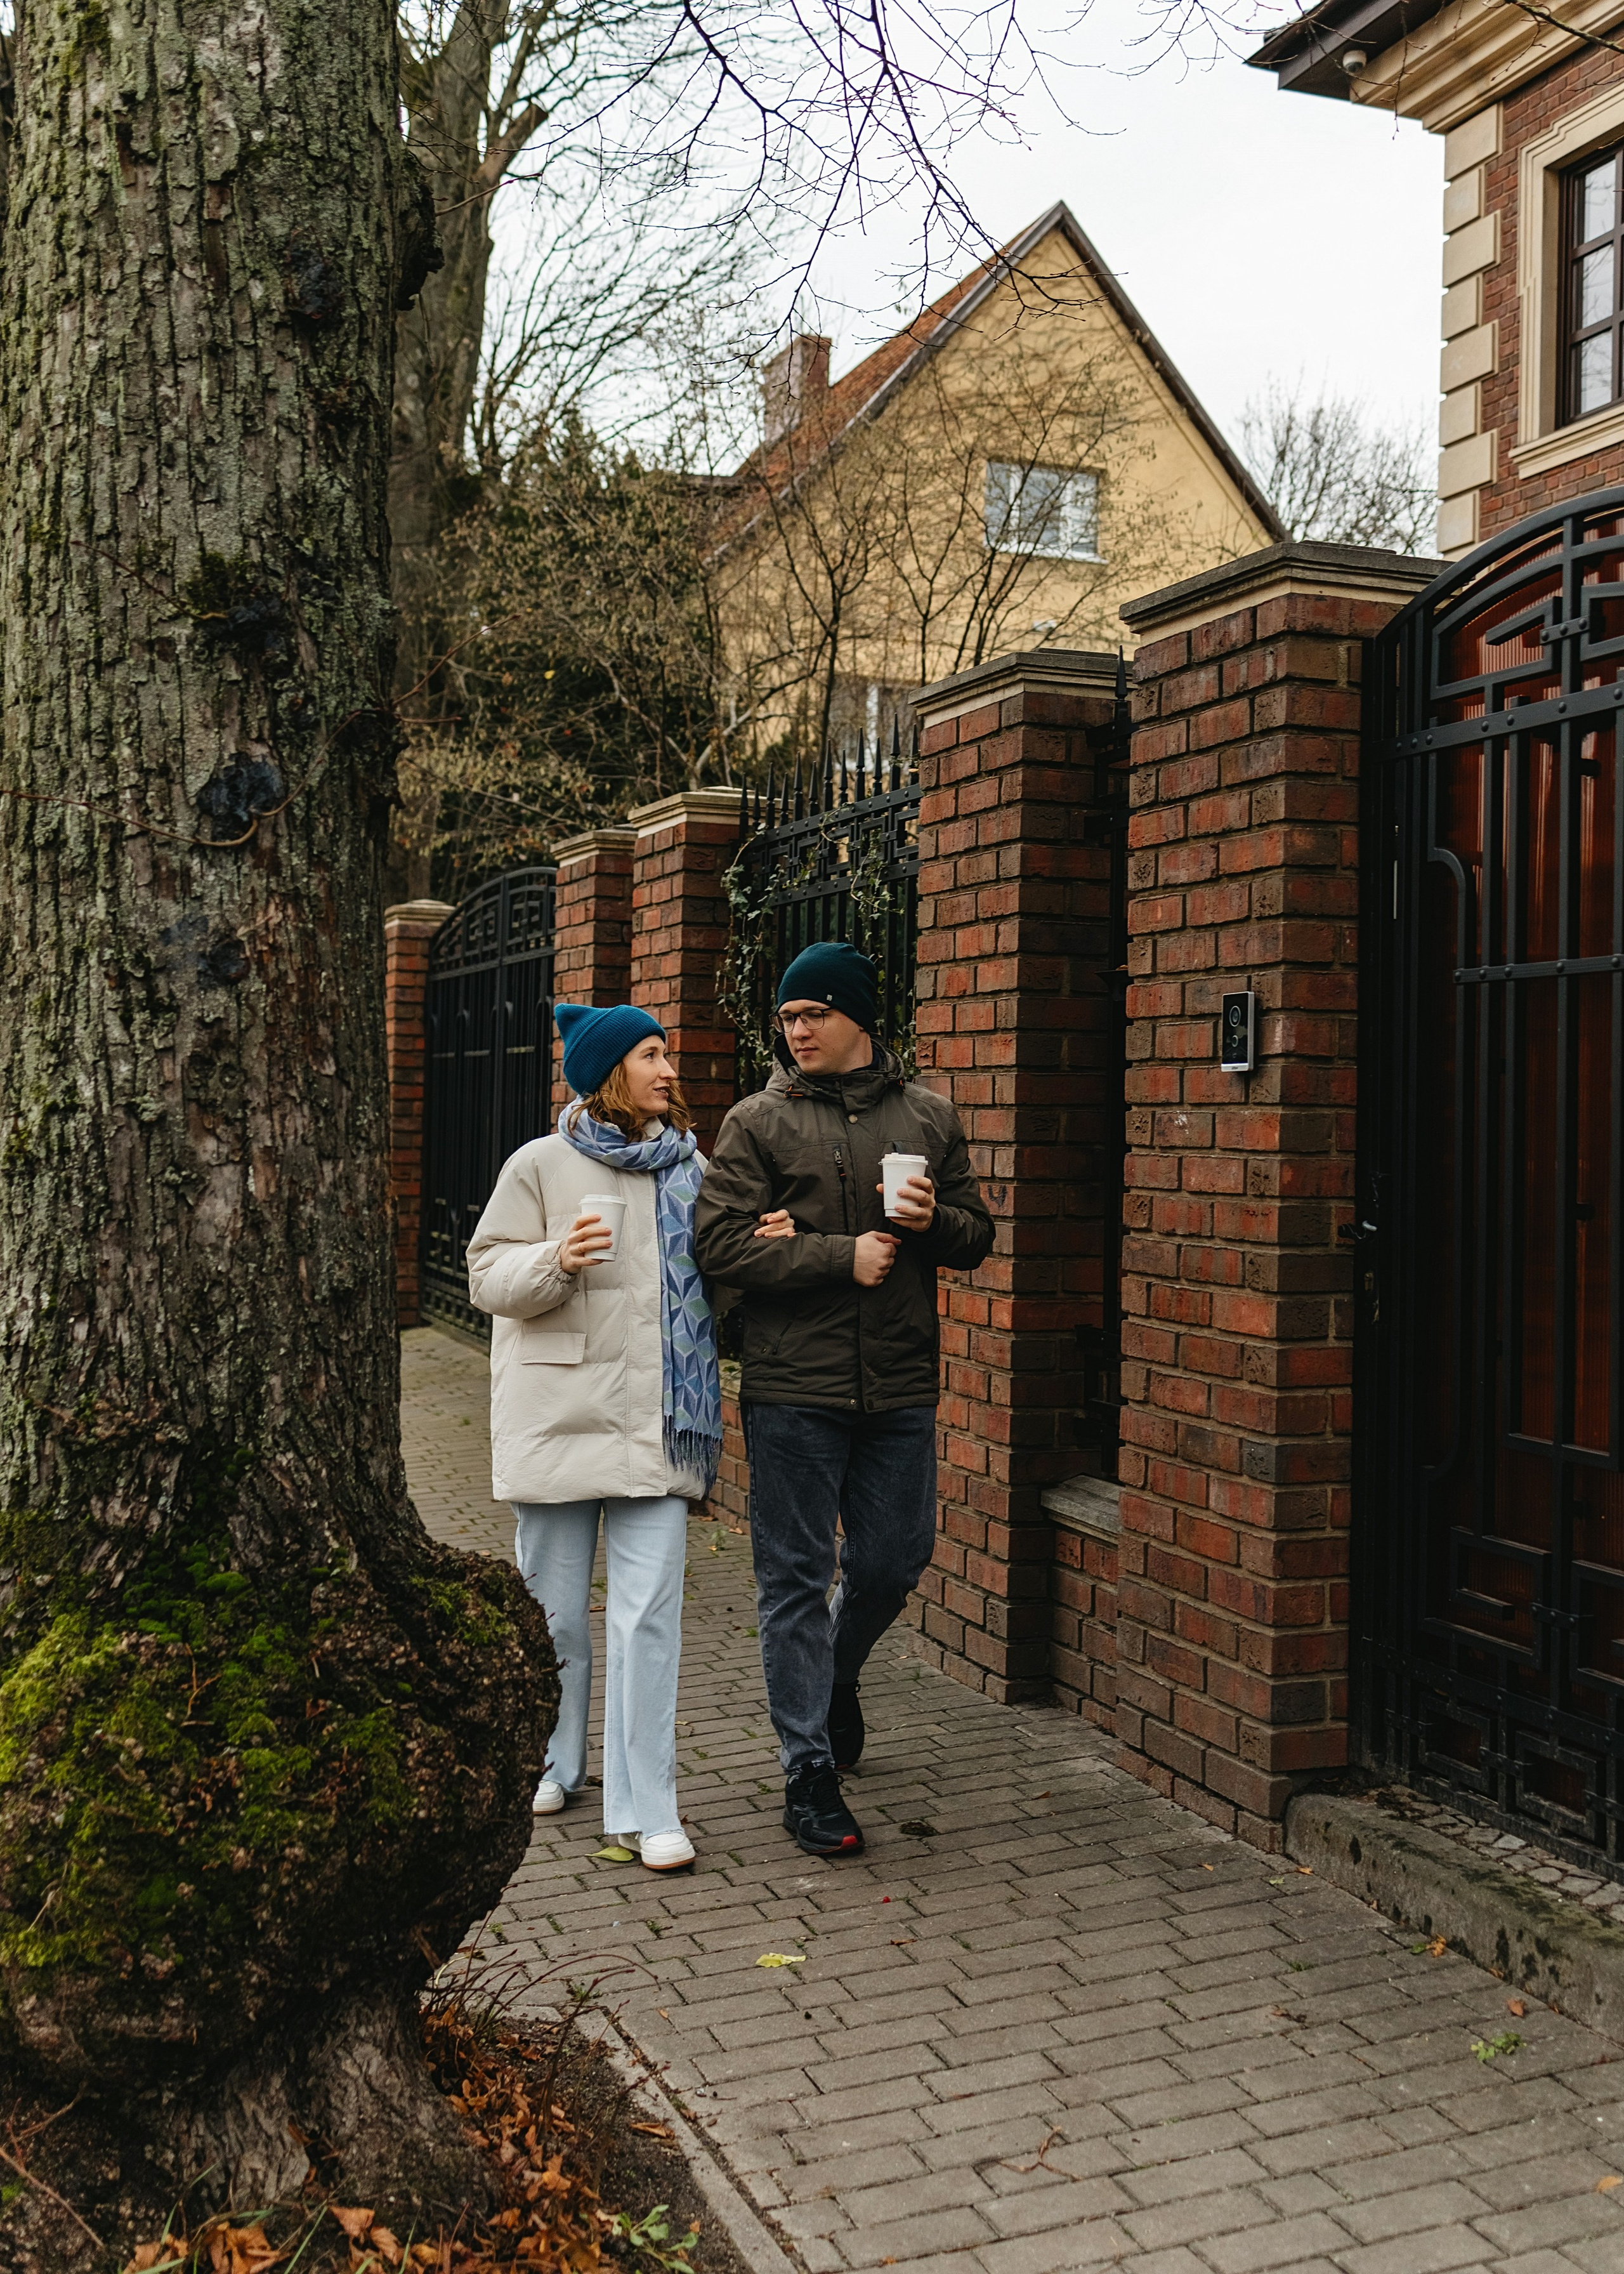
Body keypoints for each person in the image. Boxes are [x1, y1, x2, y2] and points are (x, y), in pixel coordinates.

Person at [695, 941, 993, 1857]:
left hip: (898, 1382)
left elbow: (977, 1235)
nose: (796, 1029)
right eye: (787, 1016)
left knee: (895, 1562)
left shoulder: (928, 1115)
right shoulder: (758, 1121)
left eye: (813, 1013)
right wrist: (838, 1255)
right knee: (793, 1577)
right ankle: (807, 1773)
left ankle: (833, 1675)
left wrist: (930, 1223)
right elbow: (717, 1244)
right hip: (794, 1386)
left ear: (857, 1014)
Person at [466, 1001, 722, 1874]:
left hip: (660, 1427)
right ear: (610, 1071)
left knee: (648, 1620)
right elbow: (485, 1274)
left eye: (667, 1053)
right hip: (557, 1415)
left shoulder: (692, 1169)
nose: (668, 1069)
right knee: (555, 1612)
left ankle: (648, 1809)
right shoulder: (538, 1164)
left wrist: (760, 1245)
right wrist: (557, 1261)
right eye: (651, 1054)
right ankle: (551, 1759)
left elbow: (719, 1277)